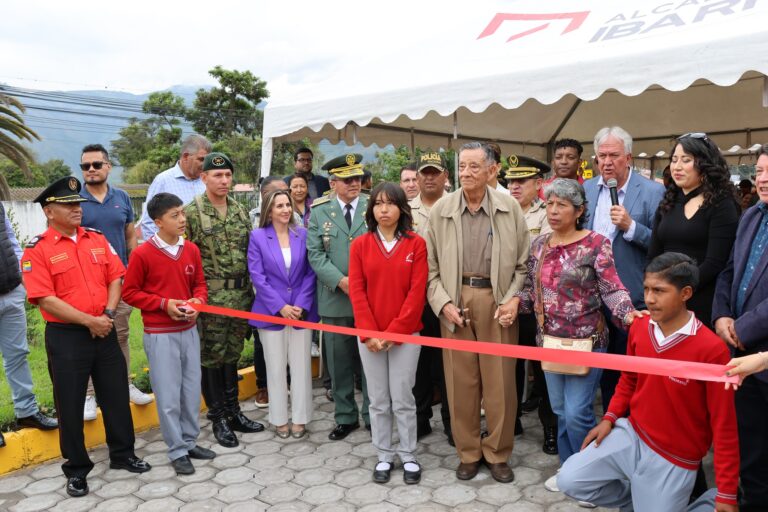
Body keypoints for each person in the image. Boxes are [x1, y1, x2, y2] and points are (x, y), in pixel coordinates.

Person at [558, 253, 739, 512]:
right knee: (570, 478)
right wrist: (609, 417)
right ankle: (641, 498)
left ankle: (703, 502)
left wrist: (727, 493)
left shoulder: (711, 349)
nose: (650, 298)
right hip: (632, 434)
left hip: (675, 456)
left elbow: (724, 426)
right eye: (646, 289)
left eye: (659, 291)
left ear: (685, 293)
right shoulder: (640, 328)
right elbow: (629, 379)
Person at [21, 176, 150, 498]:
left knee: (116, 395)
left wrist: (105, 315)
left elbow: (116, 277)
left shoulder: (96, 238)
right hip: (67, 337)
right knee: (70, 402)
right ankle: (77, 469)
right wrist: (89, 321)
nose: (78, 209)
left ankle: (123, 454)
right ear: (50, 211)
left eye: (78, 204)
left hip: (103, 327)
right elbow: (44, 298)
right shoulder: (37, 250)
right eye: (69, 205)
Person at [512, 179, 641, 498]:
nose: (553, 211)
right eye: (550, 203)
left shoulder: (596, 244)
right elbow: (532, 292)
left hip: (586, 343)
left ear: (579, 210)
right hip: (549, 343)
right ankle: (569, 468)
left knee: (578, 411)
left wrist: (628, 314)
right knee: (559, 409)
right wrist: (513, 304)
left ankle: (589, 473)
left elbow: (612, 289)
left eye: (562, 205)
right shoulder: (540, 244)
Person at [426, 142, 529, 483]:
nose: (466, 173)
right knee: (461, 383)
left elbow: (523, 265)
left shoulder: (509, 207)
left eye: (474, 167)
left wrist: (512, 299)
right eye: (462, 167)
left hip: (497, 301)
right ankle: (468, 452)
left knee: (500, 382)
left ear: (491, 170)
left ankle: (498, 453)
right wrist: (444, 304)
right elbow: (430, 270)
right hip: (456, 301)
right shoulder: (441, 210)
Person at [122, 193, 216, 475]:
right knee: (168, 395)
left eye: (183, 213)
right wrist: (164, 305)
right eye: (175, 215)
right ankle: (176, 450)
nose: (182, 219)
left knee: (190, 391)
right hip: (160, 334)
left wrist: (198, 302)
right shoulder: (143, 254)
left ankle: (189, 442)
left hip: (189, 331)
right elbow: (130, 293)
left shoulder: (191, 250)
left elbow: (199, 284)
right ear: (158, 221)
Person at [349, 182, 428, 485]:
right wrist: (370, 334)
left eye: (390, 203)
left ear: (401, 208)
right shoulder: (360, 245)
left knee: (403, 397)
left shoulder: (415, 244)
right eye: (378, 204)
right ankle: (384, 455)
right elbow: (357, 291)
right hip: (369, 338)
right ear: (371, 209)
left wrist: (393, 333)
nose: (384, 209)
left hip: (406, 336)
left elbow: (416, 294)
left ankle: (408, 454)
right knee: (378, 399)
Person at [184, 153, 264, 448]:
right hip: (211, 301)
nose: (224, 181)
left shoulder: (241, 211)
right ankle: (217, 416)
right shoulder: (191, 213)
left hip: (241, 297)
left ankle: (234, 412)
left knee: (231, 356)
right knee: (211, 359)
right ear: (203, 178)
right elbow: (186, 261)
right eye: (217, 176)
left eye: (228, 175)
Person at [583, 126, 665, 409]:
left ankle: (636, 428)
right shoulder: (586, 190)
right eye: (601, 156)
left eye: (614, 155)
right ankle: (610, 420)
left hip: (634, 297)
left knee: (632, 371)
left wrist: (631, 227)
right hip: (592, 299)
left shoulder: (654, 192)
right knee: (605, 371)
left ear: (628, 157)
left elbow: (662, 244)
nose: (606, 162)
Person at [79, 144, 152, 421]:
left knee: (120, 334)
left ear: (108, 166)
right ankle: (88, 395)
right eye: (86, 166)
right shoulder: (75, 200)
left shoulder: (121, 197)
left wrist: (132, 266)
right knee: (87, 337)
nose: (91, 170)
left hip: (118, 281)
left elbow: (130, 234)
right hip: (86, 283)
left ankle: (124, 383)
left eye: (97, 165)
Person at [713, 143, 768, 511]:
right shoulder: (751, 215)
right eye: (761, 171)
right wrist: (721, 316)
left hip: (759, 348)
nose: (762, 180)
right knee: (750, 446)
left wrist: (744, 326)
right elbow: (730, 270)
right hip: (741, 353)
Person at [307, 153, 371, 440]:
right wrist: (341, 281)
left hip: (370, 298)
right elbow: (315, 254)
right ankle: (346, 416)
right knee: (339, 361)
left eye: (357, 178)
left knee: (371, 361)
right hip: (335, 298)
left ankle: (373, 414)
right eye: (347, 180)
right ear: (333, 183)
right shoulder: (320, 211)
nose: (354, 184)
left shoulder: (373, 206)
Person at [647, 132, 740, 329]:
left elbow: (715, 263)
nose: (677, 166)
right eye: (674, 160)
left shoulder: (722, 204)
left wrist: (676, 289)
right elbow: (653, 254)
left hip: (702, 301)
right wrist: (655, 290)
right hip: (665, 301)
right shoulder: (667, 202)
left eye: (686, 160)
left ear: (704, 164)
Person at [248, 189, 317, 439]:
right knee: (275, 369)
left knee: (300, 368)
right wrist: (280, 307)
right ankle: (278, 419)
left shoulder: (303, 234)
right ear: (269, 210)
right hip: (270, 312)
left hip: (301, 312)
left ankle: (301, 418)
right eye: (279, 206)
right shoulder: (257, 237)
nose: (286, 209)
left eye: (288, 205)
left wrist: (300, 303)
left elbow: (311, 272)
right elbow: (258, 276)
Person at [504, 155, 556, 455]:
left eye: (521, 181)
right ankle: (510, 421)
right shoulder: (500, 211)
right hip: (508, 303)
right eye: (511, 180)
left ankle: (550, 427)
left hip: (537, 306)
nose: (514, 186)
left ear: (538, 183)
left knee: (543, 369)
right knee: (507, 367)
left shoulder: (547, 214)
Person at [0, 202, 58, 449]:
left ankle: (27, 412)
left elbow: (10, 240)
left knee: (18, 355)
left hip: (11, 289)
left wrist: (25, 278)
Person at [409, 152, 452, 444]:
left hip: (448, 297)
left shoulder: (456, 205)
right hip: (415, 298)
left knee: (449, 365)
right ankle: (421, 418)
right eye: (424, 172)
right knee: (419, 364)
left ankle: (452, 422)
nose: (428, 177)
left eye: (434, 172)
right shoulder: (405, 208)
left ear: (445, 177)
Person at [249, 175, 291, 408]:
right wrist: (275, 302)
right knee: (262, 345)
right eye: (278, 194)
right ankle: (263, 386)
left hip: (290, 297)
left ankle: (287, 383)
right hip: (263, 297)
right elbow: (256, 272)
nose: (285, 200)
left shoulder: (294, 224)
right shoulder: (251, 220)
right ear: (266, 195)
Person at [139, 134, 211, 239]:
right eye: (201, 159)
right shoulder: (163, 181)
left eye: (207, 160)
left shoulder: (207, 180)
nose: (205, 164)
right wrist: (160, 251)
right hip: (173, 250)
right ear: (186, 156)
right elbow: (149, 222)